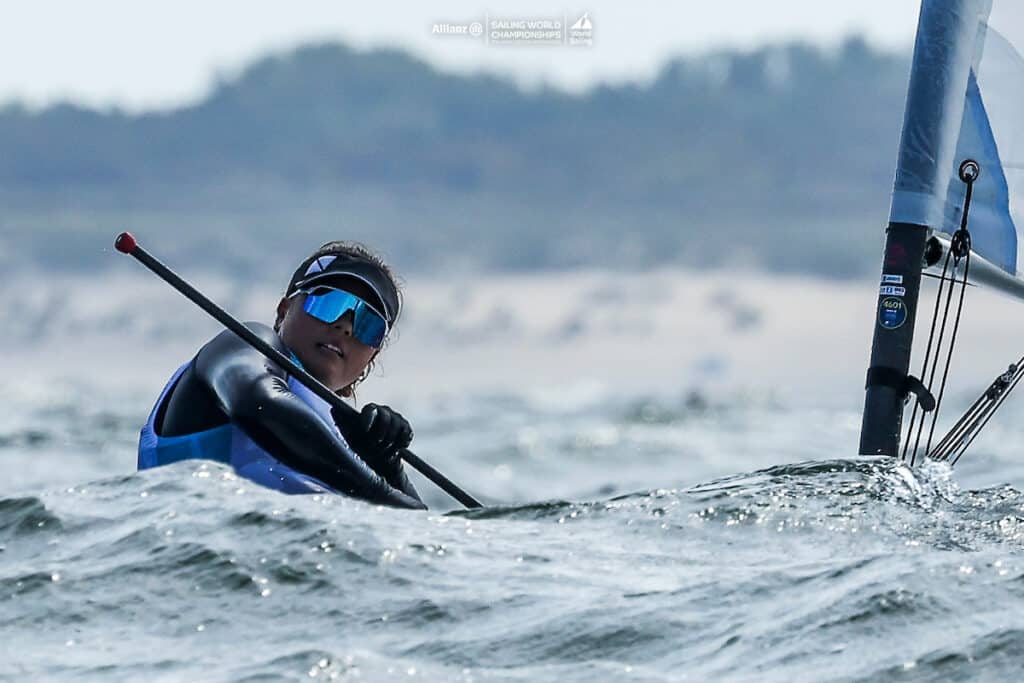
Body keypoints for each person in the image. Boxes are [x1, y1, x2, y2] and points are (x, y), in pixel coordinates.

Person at [137, 241, 425, 509]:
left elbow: (417, 525)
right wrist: (376, 491)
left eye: (367, 324)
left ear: (371, 357)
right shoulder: (243, 345)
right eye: (328, 303)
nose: (344, 327)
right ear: (283, 311)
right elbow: (257, 402)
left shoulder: (345, 441)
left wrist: (387, 464)